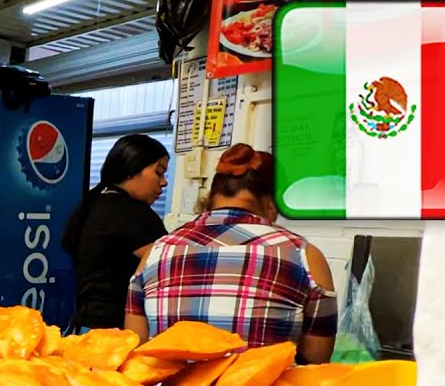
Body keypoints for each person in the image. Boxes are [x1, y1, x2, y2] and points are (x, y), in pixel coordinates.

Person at [125, 144, 338, 363]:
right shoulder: (305, 256)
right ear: (273, 201)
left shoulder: (155, 253)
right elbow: (315, 364)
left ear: (211, 196)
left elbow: (137, 354)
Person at [60, 134, 170, 334]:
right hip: (114, 334)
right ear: (131, 170)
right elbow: (165, 268)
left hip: (82, 327)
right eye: (159, 172)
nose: (164, 182)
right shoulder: (133, 213)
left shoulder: (95, 202)